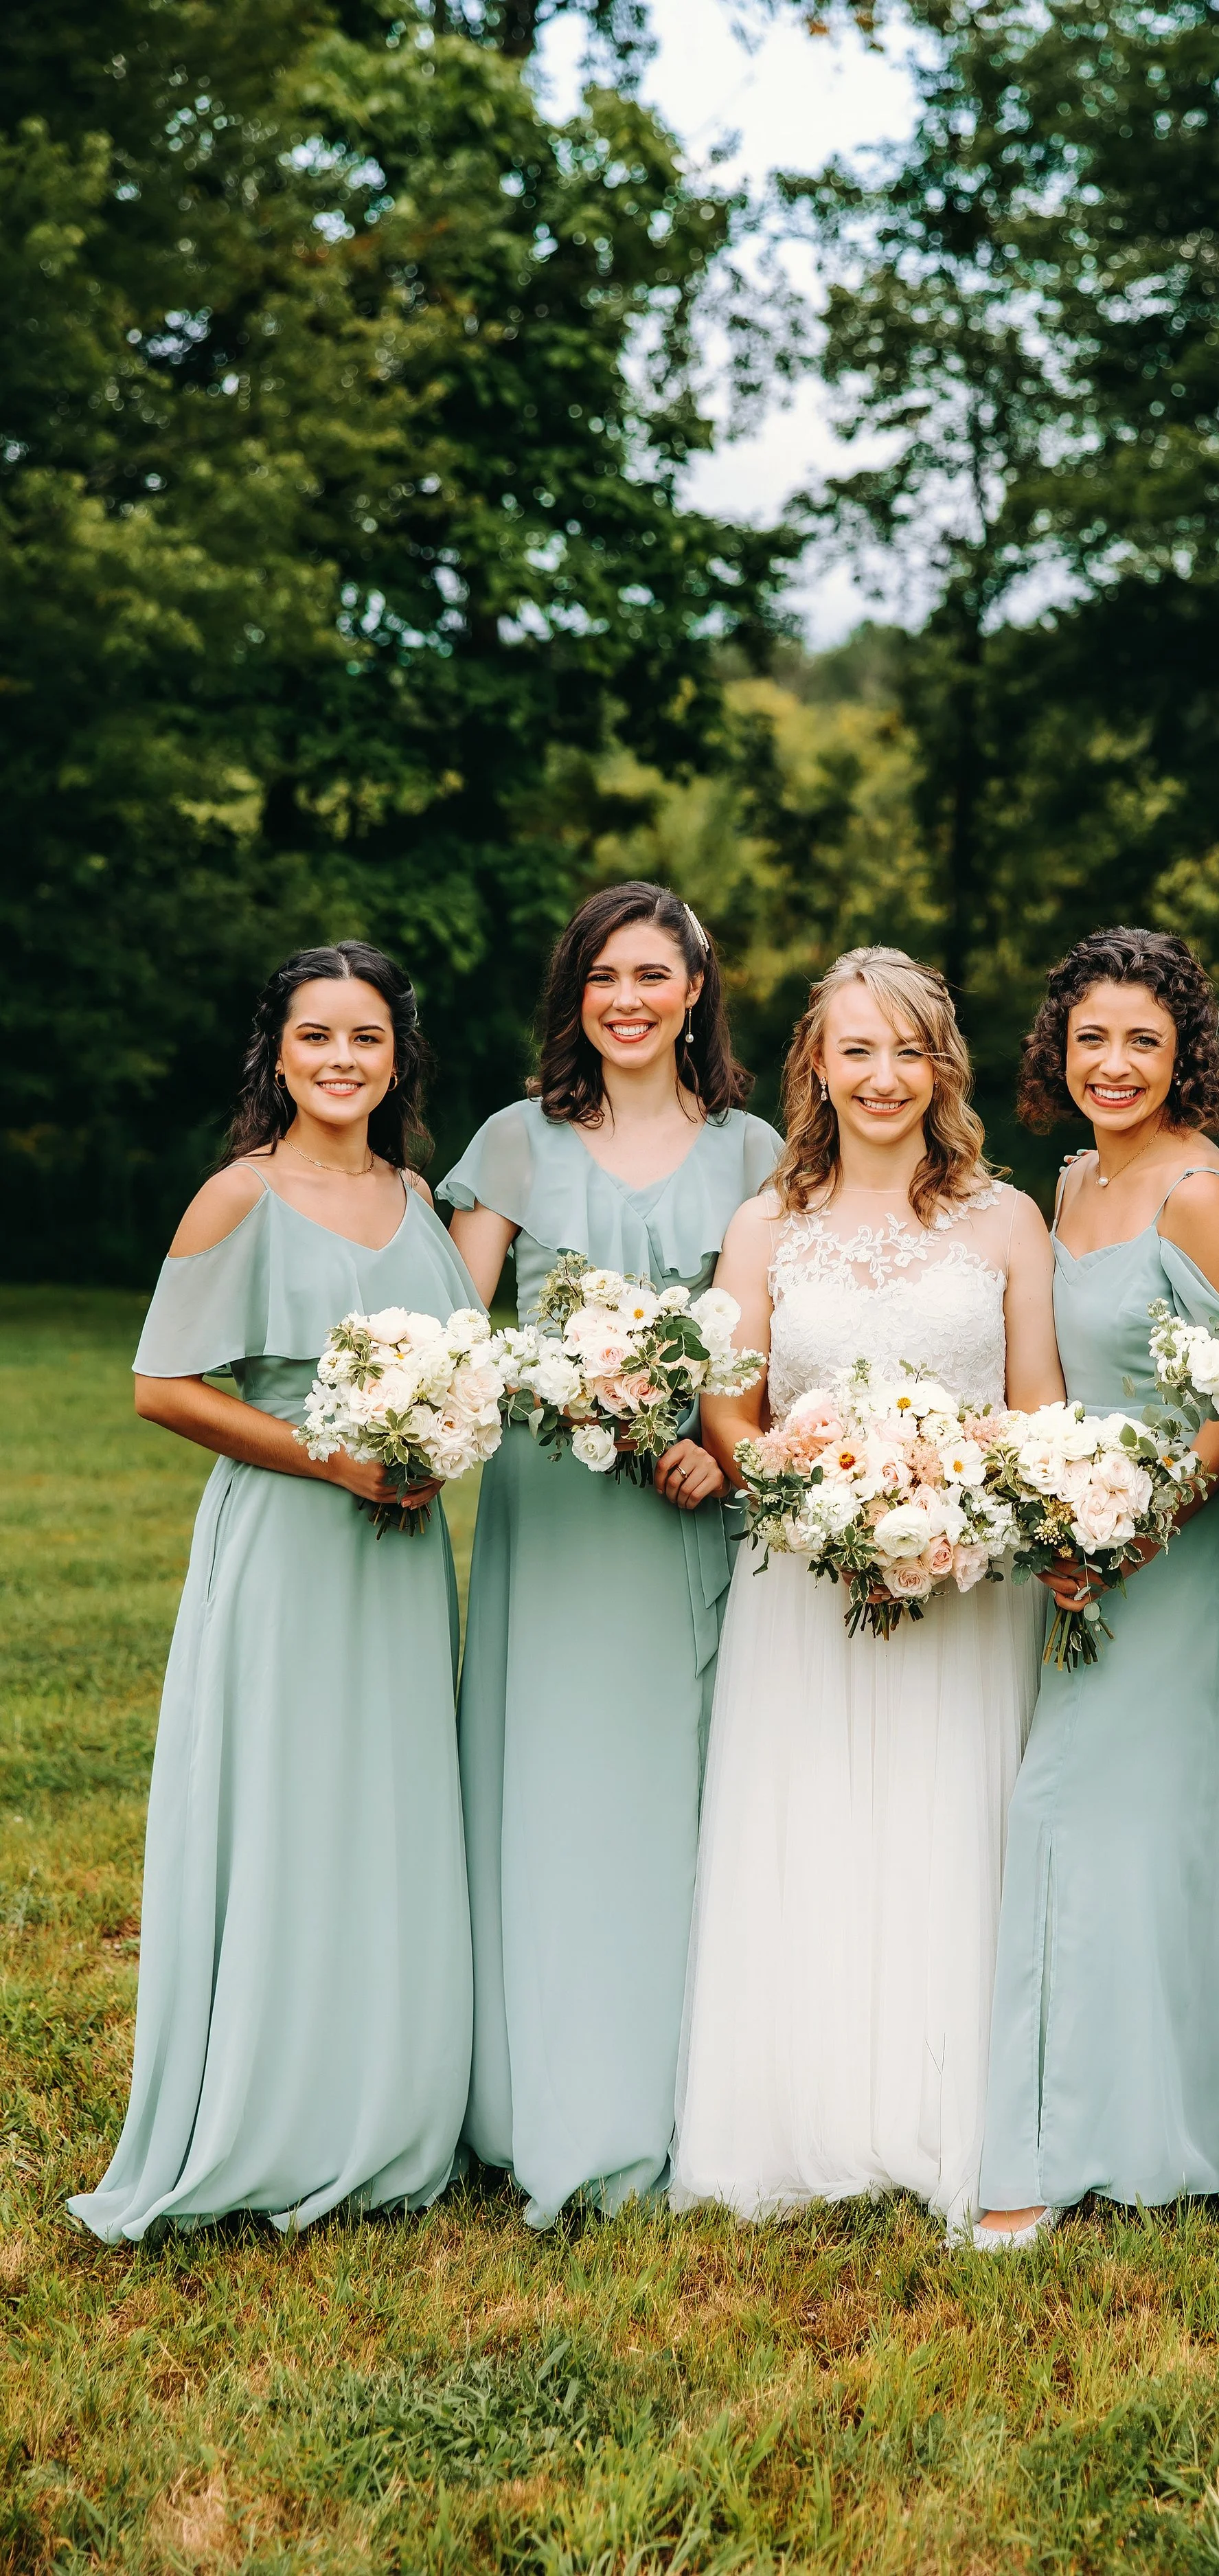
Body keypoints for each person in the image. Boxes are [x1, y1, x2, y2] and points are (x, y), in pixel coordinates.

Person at [69, 943, 476, 2241]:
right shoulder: (235, 1196)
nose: (342, 1059)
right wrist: (334, 1457)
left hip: (401, 1552)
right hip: (289, 1541)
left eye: (367, 1036)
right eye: (317, 1036)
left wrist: (432, 1445)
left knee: (388, 1806)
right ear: (279, 1054)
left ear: (398, 1057)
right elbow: (162, 1386)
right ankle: (267, 2113)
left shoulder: (417, 1195)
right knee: (287, 1804)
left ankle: (387, 2103)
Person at [672, 947, 1064, 2233]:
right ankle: (809, 2115)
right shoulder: (765, 1227)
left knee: (952, 1823)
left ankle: (957, 2119)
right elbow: (731, 1410)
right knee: (815, 1828)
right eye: (858, 1050)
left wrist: (954, 1509)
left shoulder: (1005, 1222)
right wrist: (824, 1510)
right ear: (818, 1067)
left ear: (942, 1065)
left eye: (909, 1049)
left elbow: (1036, 1407)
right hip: (804, 1580)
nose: (884, 1076)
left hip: (967, 1581)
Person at [441, 881, 779, 2226]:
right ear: (574, 995)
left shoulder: (757, 1153)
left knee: (689, 1795)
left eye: (651, 975)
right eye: (602, 976)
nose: (626, 1000)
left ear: (696, 992)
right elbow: (448, 1333)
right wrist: (556, 1386)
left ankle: (698, 2099)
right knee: (562, 1791)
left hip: (694, 1510)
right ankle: (552, 2101)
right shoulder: (516, 1141)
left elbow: (783, 1340)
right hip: (559, 1513)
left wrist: (722, 1449)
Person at [975, 929, 1219, 2248]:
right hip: (1079, 1552)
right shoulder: (1073, 1179)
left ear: (1183, 1054)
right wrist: (1057, 1512)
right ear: (1059, 1046)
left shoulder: (1198, 1191)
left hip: (1175, 1559)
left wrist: (1146, 1526)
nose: (1114, 1062)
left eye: (1143, 1041)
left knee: (1100, 1824)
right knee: (1091, 1831)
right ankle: (1106, 2125)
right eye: (1091, 1036)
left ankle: (1074, 2148)